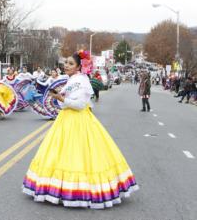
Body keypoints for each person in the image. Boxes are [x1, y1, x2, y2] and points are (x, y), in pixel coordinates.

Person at [22, 51, 139, 208]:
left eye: (71, 63)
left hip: (79, 121)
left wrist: (60, 98)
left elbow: (80, 105)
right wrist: (58, 97)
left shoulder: (82, 81)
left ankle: (77, 190)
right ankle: (62, 188)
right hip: (66, 119)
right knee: (62, 154)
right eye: (66, 63)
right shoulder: (71, 80)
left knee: (78, 155)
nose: (66, 65)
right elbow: (66, 104)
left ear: (79, 67)